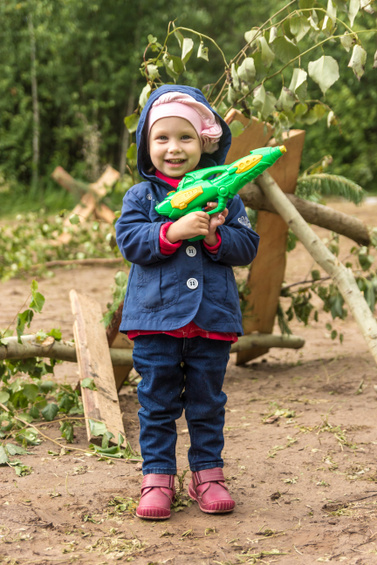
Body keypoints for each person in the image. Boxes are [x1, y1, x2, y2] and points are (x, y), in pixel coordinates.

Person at [116, 84, 260, 520]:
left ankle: (208, 474)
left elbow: (248, 246)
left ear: (205, 143)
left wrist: (216, 235)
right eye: (162, 138)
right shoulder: (142, 198)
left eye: (185, 137)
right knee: (156, 401)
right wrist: (171, 233)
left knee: (206, 401)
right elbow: (129, 241)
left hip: (211, 320)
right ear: (146, 146)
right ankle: (157, 477)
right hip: (156, 321)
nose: (173, 148)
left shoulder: (226, 196)